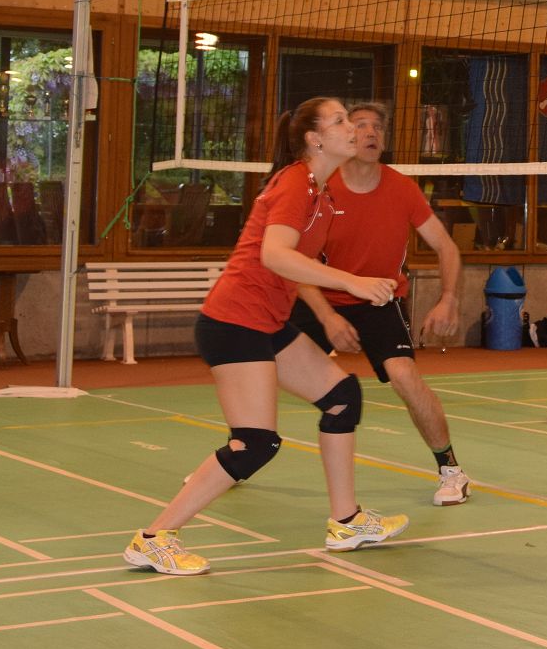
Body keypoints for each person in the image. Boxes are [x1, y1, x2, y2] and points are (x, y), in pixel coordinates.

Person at [124, 98, 408, 577]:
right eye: (340, 120)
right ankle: (155, 539)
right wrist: (352, 282)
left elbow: (299, 265)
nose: (354, 128)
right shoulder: (296, 182)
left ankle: (346, 522)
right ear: (315, 139)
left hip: (267, 321)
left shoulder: (322, 190)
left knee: (342, 397)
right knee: (255, 443)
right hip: (235, 322)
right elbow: (275, 256)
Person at [288, 102, 471, 507]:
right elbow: (296, 264)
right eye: (360, 125)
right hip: (322, 295)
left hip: (379, 299)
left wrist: (448, 299)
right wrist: (328, 317)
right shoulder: (323, 187)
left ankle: (452, 471)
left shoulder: (402, 188)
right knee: (263, 365)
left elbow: (446, 247)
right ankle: (240, 451)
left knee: (404, 376)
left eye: (378, 127)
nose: (371, 133)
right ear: (346, 136)